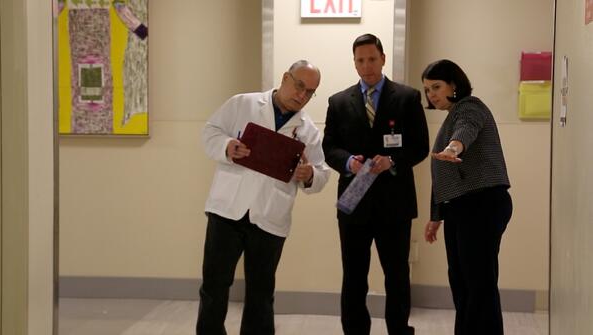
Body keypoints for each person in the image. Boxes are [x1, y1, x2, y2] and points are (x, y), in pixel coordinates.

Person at [197, 60, 330, 335]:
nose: (302, 95)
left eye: (310, 92)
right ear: (285, 78)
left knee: (261, 293)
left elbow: (322, 172)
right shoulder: (242, 104)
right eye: (299, 86)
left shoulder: (308, 131)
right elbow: (210, 132)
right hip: (227, 211)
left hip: (270, 218)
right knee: (214, 285)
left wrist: (308, 175)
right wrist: (227, 146)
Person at [322, 33, 429, 335]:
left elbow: (420, 146)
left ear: (383, 58)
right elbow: (329, 147)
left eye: (372, 59)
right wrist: (348, 162)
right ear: (354, 63)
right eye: (360, 60)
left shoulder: (407, 97)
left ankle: (398, 329)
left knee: (396, 275)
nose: (366, 66)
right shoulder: (339, 102)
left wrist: (392, 161)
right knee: (354, 276)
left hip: (394, 203)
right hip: (353, 203)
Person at [421, 59, 512, 335]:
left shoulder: (470, 107)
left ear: (455, 85)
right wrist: (436, 216)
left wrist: (454, 147)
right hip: (462, 208)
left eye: (436, 87)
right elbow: (443, 175)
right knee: (463, 284)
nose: (431, 94)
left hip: (481, 204)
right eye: (427, 90)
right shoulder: (451, 115)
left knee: (478, 285)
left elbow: (466, 130)